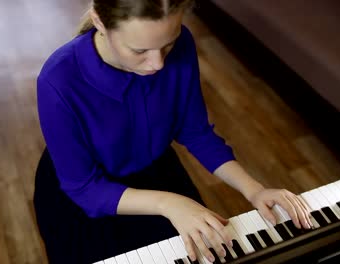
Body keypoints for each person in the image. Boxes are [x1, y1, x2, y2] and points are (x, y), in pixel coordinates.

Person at [34, 0, 313, 263]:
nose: (158, 64)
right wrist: (170, 204)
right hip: (85, 198)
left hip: (157, 174)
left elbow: (196, 132)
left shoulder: (182, 45)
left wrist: (254, 190)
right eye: (140, 51)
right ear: (100, 22)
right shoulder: (58, 80)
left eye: (168, 44)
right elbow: (84, 187)